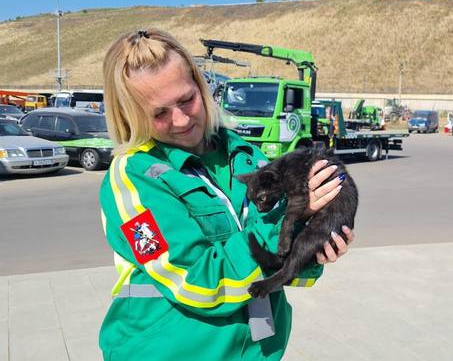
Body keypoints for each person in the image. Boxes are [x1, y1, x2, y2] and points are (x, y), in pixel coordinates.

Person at [98, 29, 354, 360]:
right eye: (159, 113)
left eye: (186, 99)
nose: (181, 119)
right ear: (131, 115)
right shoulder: (135, 177)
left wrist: (316, 246)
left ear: (201, 87)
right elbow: (198, 283)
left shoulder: (244, 155)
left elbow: (275, 266)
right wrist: (287, 223)